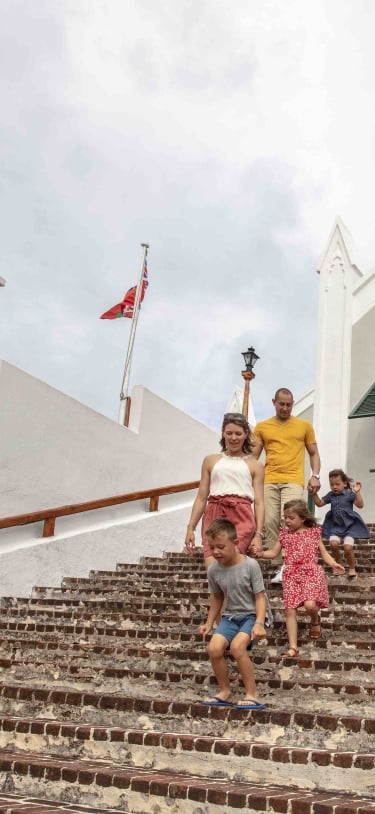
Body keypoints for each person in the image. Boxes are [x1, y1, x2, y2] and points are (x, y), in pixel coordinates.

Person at [257, 499, 345, 658]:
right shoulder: (284, 534)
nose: (287, 521)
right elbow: (273, 553)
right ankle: (293, 647)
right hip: (291, 574)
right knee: (290, 610)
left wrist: (333, 564)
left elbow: (323, 553)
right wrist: (261, 554)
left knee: (310, 605)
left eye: (291, 518)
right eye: (285, 518)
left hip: (310, 572)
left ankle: (315, 620)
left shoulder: (313, 532)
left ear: (302, 518)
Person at [252, 387, 321, 583]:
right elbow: (254, 457)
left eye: (289, 404)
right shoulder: (262, 427)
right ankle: (279, 565)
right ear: (274, 402)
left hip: (293, 479)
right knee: (269, 521)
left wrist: (315, 475)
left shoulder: (304, 425)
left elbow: (314, 453)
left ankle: (288, 564)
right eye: (281, 404)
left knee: (290, 521)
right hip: (269, 479)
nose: (285, 408)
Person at [198, 518, 268, 709]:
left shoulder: (250, 565)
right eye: (212, 548)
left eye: (220, 547)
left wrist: (259, 623)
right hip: (230, 616)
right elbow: (217, 597)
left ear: (236, 543)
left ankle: (252, 694)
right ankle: (225, 691)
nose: (215, 552)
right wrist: (209, 622)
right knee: (213, 649)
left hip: (251, 615)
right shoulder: (213, 570)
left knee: (237, 648)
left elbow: (260, 597)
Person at [185, 412, 265, 567]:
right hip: (214, 513)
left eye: (238, 433)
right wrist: (190, 528)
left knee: (233, 570)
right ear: (223, 434)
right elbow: (201, 497)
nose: (233, 438)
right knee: (213, 570)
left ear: (246, 434)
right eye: (229, 433)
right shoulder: (210, 461)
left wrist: (259, 534)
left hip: (242, 515)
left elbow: (260, 503)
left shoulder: (255, 465)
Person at [312, 469, 370, 579]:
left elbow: (360, 505)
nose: (334, 487)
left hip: (349, 527)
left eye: (337, 484)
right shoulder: (331, 495)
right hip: (336, 526)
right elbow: (319, 503)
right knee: (333, 544)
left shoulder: (349, 494)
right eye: (332, 484)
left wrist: (357, 493)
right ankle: (339, 566)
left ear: (345, 483)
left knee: (348, 548)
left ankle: (352, 567)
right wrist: (314, 494)